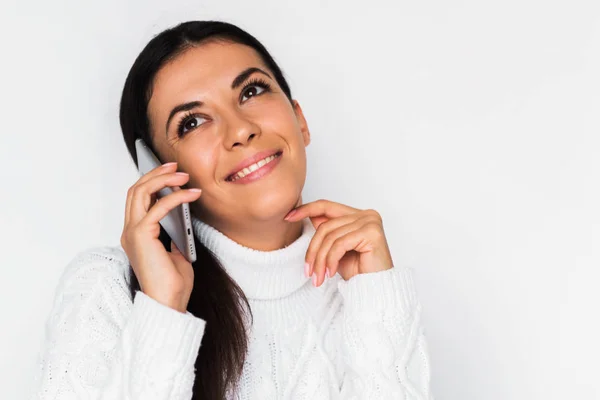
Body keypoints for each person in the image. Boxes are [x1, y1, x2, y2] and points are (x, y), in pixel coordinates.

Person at [30, 20, 433, 400]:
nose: (240, 129)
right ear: (160, 176)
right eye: (192, 122)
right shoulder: (107, 288)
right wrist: (162, 309)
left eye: (251, 92)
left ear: (300, 120)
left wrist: (377, 296)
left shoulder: (363, 287)